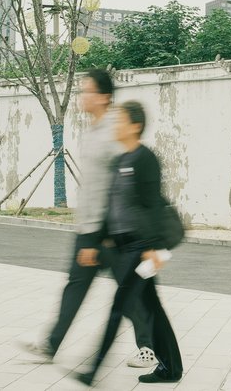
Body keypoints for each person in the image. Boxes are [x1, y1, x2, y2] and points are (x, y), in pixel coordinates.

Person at [23, 69, 156, 369]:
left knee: (127, 288)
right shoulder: (92, 129)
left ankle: (149, 347)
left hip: (110, 230)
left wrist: (104, 234)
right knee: (76, 285)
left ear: (104, 97)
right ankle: (52, 344)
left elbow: (120, 183)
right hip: (89, 226)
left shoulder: (114, 130)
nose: (82, 96)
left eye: (88, 91)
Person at [75, 100, 183, 386]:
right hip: (124, 248)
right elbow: (111, 209)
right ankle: (171, 369)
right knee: (153, 309)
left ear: (135, 126)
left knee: (118, 307)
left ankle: (92, 371)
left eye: (120, 121)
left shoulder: (145, 159)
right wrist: (96, 243)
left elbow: (151, 205)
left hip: (140, 249)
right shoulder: (120, 160)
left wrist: (152, 247)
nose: (116, 125)